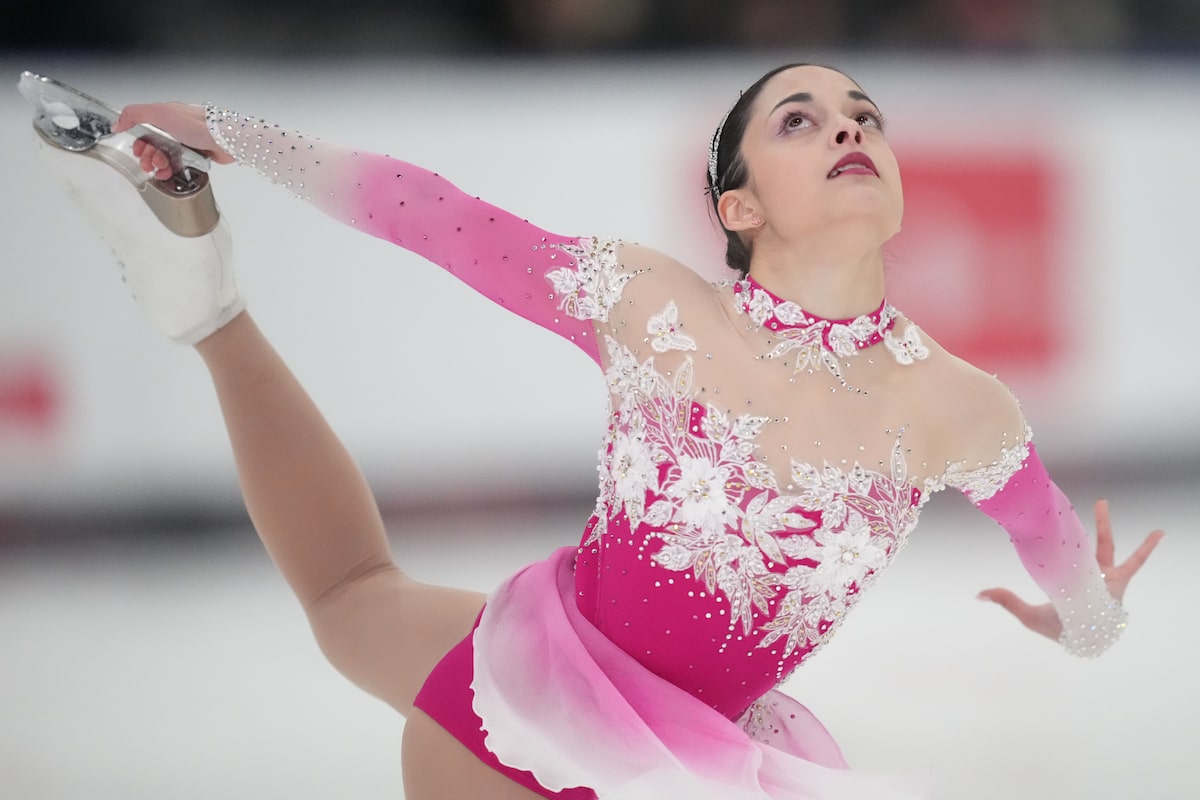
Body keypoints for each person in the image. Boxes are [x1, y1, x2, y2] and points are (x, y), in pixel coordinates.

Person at [49, 63, 1161, 799]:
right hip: (521, 721)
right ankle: (207, 296)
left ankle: (202, 299)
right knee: (347, 600)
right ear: (740, 206)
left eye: (865, 115)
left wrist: (1086, 619)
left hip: (709, 752)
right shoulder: (651, 305)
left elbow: (1072, 571)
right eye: (802, 119)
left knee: (349, 601)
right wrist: (237, 133)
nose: (849, 127)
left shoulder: (964, 406)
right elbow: (440, 217)